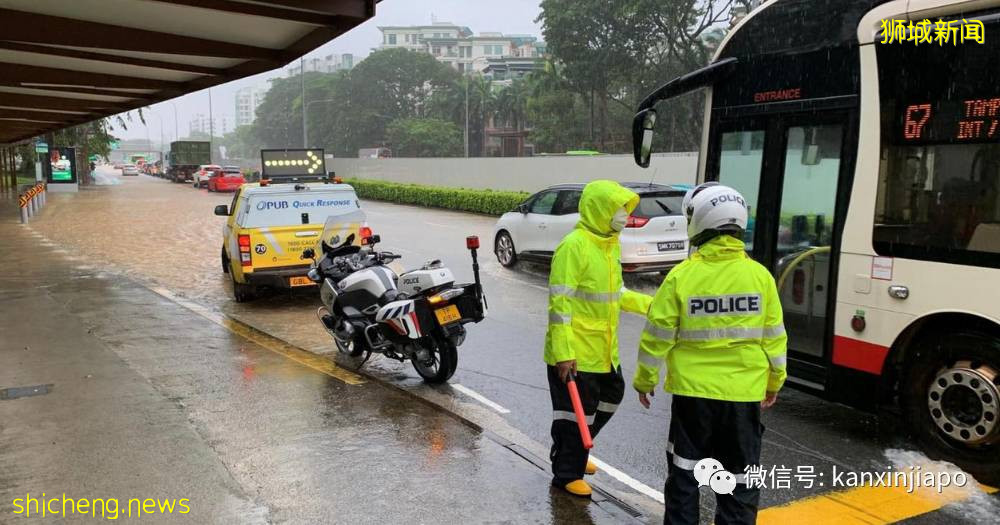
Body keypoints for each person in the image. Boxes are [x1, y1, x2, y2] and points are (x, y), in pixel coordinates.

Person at [633, 183, 787, 524]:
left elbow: (655, 336)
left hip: (693, 397)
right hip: (742, 396)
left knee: (685, 476)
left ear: (698, 222)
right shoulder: (760, 277)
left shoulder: (682, 277)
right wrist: (775, 381)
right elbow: (774, 338)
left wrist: (645, 380)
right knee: (740, 481)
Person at [544, 179, 652, 498]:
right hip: (574, 352)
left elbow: (615, 294)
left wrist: (651, 306)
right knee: (574, 413)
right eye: (618, 209)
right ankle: (566, 473)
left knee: (611, 398)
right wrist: (564, 351)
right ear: (600, 210)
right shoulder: (573, 246)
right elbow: (559, 304)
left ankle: (571, 450)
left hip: (604, 351)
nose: (623, 215)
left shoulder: (608, 246)